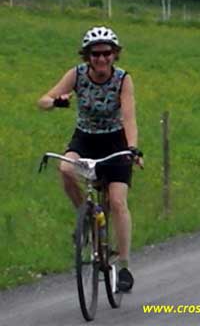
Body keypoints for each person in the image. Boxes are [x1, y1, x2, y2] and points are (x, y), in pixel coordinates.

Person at [38, 26, 143, 292]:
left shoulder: (123, 79)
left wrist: (132, 148)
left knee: (118, 202)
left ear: (114, 55)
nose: (101, 59)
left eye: (106, 53)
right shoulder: (77, 74)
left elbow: (129, 118)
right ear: (87, 56)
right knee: (65, 169)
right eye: (95, 54)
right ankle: (85, 217)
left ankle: (124, 267)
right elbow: (43, 100)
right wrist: (57, 102)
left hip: (115, 141)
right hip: (85, 139)